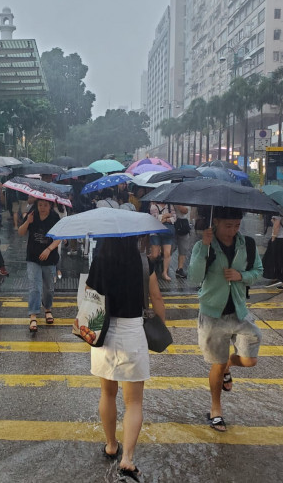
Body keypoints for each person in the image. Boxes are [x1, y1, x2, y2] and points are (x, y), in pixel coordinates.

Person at [88, 236, 165, 483]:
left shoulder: (99, 260)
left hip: (104, 332)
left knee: (107, 393)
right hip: (133, 332)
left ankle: (111, 446)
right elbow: (157, 298)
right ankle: (128, 459)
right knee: (134, 402)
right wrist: (161, 329)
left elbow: (90, 296)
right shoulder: (144, 262)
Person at [188, 207, 263, 432]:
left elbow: (258, 271)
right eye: (228, 226)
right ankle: (215, 410)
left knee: (250, 360)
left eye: (237, 226)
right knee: (216, 366)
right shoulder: (204, 245)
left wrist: (242, 276)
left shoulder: (246, 244)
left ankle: (229, 365)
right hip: (212, 314)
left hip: (239, 312)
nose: (233, 231)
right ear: (216, 222)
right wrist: (204, 246)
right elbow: (194, 276)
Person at [18, 199, 62, 332]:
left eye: (45, 205)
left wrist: (49, 249)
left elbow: (59, 237)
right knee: (35, 287)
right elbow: (21, 232)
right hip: (33, 257)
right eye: (40, 205)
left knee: (49, 288)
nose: (42, 208)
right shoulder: (32, 214)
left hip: (50, 258)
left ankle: (47, 308)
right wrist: (27, 222)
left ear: (50, 206)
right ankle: (33, 315)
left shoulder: (55, 217)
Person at [149, 202, 176, 281]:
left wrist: (164, 219)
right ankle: (148, 265)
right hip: (155, 231)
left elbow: (174, 218)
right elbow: (155, 219)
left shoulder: (170, 205)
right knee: (154, 255)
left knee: (167, 253)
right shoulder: (153, 206)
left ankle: (164, 273)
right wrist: (167, 215)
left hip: (167, 231)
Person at [267, 213, 283, 290]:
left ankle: (277, 278)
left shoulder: (279, 209)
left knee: (276, 259)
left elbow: (277, 224)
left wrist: (273, 238)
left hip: (280, 238)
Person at [174, 205, 192, 279]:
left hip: (184, 225)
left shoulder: (186, 200)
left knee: (183, 248)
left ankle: (180, 268)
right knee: (170, 247)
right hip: (173, 224)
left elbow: (185, 211)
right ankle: (164, 263)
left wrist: (177, 204)